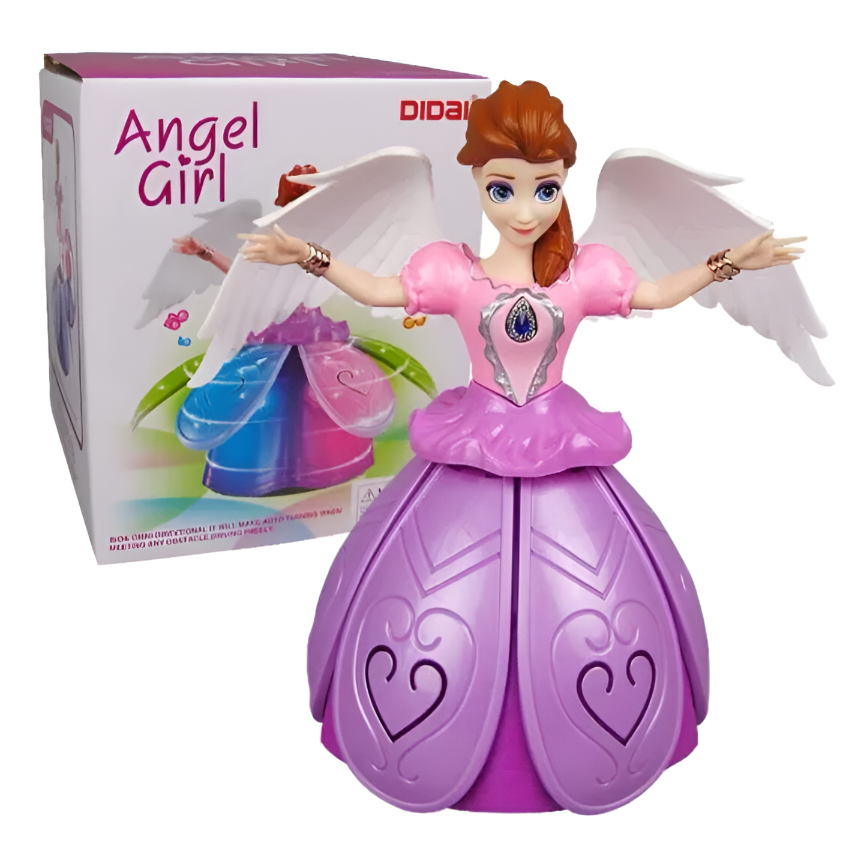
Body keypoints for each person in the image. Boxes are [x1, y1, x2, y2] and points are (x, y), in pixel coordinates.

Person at [240, 81, 806, 814]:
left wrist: (730, 260)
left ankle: (588, 745)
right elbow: (378, 292)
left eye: (545, 189)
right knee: (426, 590)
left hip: (558, 439)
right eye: (502, 189)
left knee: (594, 596)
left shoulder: (584, 274)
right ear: (478, 183)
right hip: (470, 443)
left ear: (564, 184)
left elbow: (657, 295)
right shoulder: (454, 273)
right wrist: (307, 255)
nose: (524, 210)